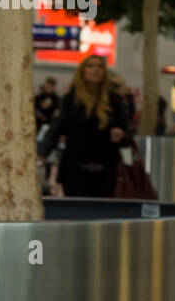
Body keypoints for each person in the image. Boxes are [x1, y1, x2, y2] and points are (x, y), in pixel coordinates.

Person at [51, 56, 127, 198]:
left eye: (99, 66)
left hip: (105, 172)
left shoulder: (114, 101)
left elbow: (126, 134)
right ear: (82, 71)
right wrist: (41, 154)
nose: (95, 70)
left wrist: (120, 135)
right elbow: (56, 128)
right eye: (90, 66)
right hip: (75, 171)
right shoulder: (70, 100)